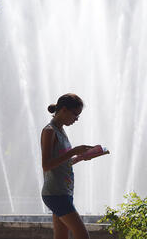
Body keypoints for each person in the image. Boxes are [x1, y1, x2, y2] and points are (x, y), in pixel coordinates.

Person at [41, 93, 93, 239]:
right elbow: (46, 165)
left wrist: (80, 157)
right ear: (63, 110)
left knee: (61, 236)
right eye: (75, 114)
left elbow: (61, 162)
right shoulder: (49, 131)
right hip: (55, 193)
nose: (76, 119)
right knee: (82, 235)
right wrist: (73, 151)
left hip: (63, 192)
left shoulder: (61, 130)